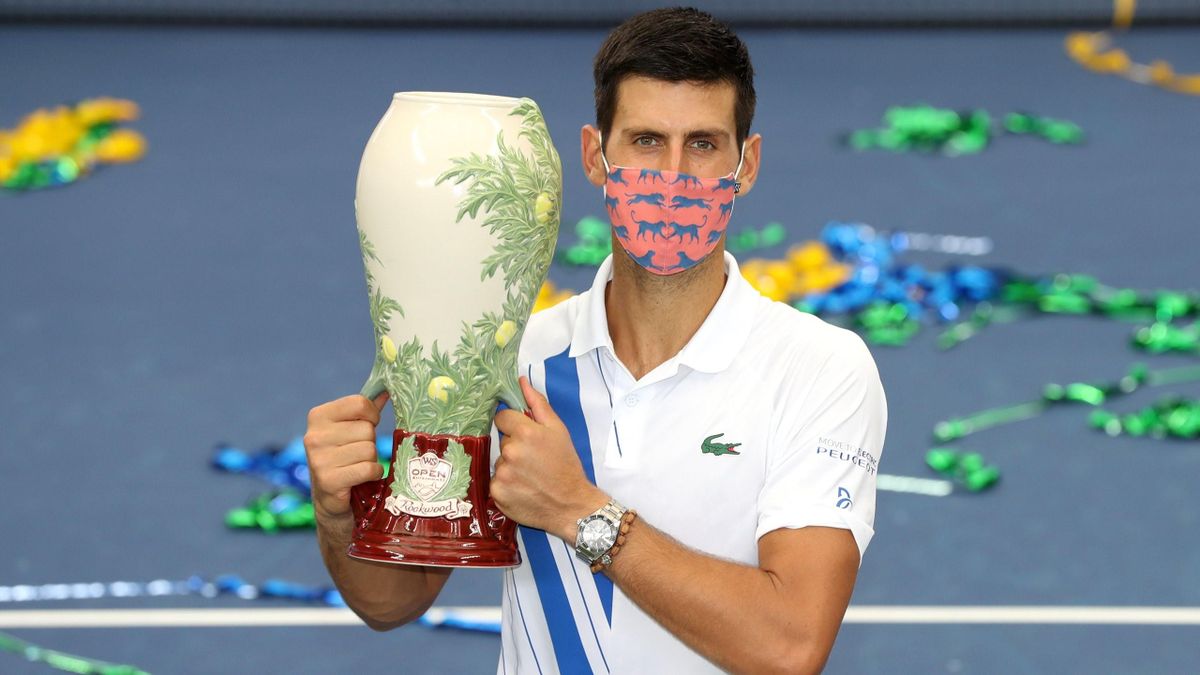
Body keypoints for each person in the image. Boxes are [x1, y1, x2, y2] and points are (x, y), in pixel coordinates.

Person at [304, 7, 887, 674]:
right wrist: (338, 513)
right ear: (594, 156)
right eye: (645, 141)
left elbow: (789, 644)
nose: (672, 175)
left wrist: (582, 512)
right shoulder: (506, 359)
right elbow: (390, 602)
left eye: (702, 144)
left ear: (745, 164)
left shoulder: (820, 368)